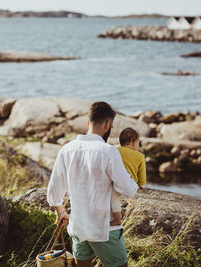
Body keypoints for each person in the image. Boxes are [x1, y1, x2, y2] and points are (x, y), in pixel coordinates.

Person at [47, 101, 139, 267]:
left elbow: (53, 192)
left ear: (88, 123)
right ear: (107, 124)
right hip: (105, 229)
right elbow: (128, 190)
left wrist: (61, 212)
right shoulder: (109, 151)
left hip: (78, 226)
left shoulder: (66, 150)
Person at [110, 127, 147, 226]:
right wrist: (142, 185)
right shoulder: (140, 156)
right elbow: (142, 180)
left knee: (114, 198)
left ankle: (116, 219)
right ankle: (118, 221)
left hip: (115, 182)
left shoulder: (115, 151)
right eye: (138, 142)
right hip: (130, 186)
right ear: (134, 142)